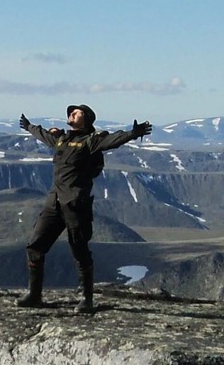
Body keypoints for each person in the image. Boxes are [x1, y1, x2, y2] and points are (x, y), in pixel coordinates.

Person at [16, 104, 152, 313]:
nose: (71, 114)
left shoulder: (90, 141)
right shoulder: (62, 139)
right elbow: (43, 135)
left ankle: (86, 299)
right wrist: (29, 126)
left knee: (79, 250)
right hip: (54, 203)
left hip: (76, 205)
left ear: (87, 119)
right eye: (71, 112)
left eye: (77, 112)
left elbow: (111, 141)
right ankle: (34, 295)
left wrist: (133, 134)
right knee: (35, 246)